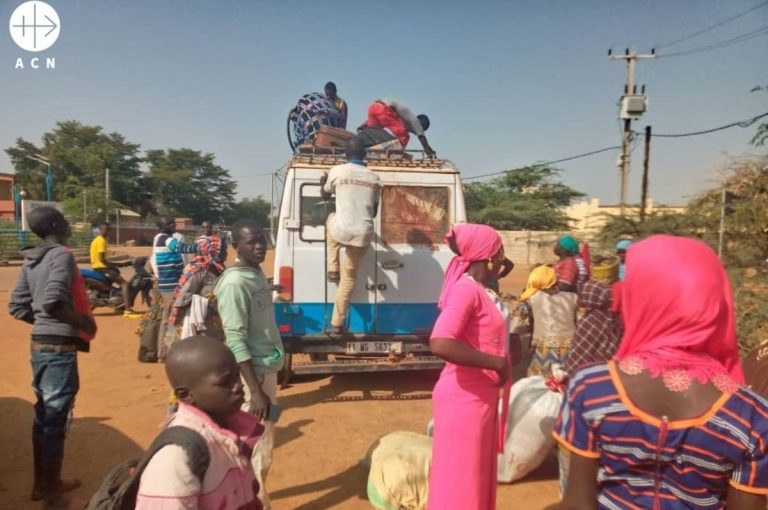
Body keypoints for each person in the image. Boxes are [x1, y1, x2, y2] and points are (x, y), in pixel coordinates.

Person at [555, 235, 768, 510]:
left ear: (641, 299)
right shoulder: (752, 416)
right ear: (716, 302)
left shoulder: (591, 388)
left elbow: (577, 504)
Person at [9, 207, 97, 509]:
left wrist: (45, 325)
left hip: (39, 346)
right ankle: (53, 498)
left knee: (44, 416)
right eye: (66, 219)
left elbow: (18, 306)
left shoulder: (32, 258)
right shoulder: (61, 255)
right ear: (57, 224)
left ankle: (43, 485)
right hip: (59, 350)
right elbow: (51, 300)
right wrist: (80, 323)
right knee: (54, 421)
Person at [428, 224, 511, 510]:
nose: (503, 257)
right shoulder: (466, 290)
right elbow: (440, 342)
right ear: (488, 254)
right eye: (499, 250)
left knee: (475, 479)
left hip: (480, 397)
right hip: (464, 400)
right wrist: (496, 362)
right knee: (461, 485)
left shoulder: (481, 289)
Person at [135, 336, 264, 509]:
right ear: (185, 395)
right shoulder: (176, 459)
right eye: (226, 382)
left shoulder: (232, 433)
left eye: (237, 375)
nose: (239, 386)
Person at [214, 220, 284, 510]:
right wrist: (255, 391)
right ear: (235, 247)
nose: (259, 246)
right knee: (256, 449)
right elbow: (235, 339)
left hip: (267, 369)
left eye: (262, 240)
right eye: (250, 242)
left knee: (262, 445)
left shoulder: (253, 273)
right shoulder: (234, 283)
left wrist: (269, 287)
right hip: (252, 375)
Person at [320, 136, 381, 335]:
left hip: (341, 230)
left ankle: (332, 267)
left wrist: (323, 182)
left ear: (345, 154)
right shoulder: (374, 178)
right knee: (349, 280)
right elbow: (373, 212)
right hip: (363, 234)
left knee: (330, 219)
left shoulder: (337, 171)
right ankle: (337, 324)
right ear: (365, 155)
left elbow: (325, 195)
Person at [161, 235, 227, 358]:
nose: (226, 253)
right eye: (223, 250)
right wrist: (205, 302)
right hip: (203, 324)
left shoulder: (220, 270)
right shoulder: (198, 270)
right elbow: (182, 297)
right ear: (213, 251)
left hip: (218, 322)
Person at [513, 265, 577, 377]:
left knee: (539, 383)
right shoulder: (573, 298)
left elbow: (516, 326)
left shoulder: (531, 299)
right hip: (570, 350)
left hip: (543, 350)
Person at [151, 217, 198, 358]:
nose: (173, 226)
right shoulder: (164, 238)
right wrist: (201, 247)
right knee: (170, 317)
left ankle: (165, 351)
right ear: (161, 226)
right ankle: (164, 352)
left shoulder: (162, 238)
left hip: (170, 283)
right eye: (169, 224)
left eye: (173, 223)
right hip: (170, 285)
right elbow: (180, 248)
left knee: (170, 316)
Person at [561, 279, 623, 375]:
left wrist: (566, 372)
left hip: (587, 373)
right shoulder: (613, 318)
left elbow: (580, 351)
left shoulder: (591, 321)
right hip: (609, 371)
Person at [89, 223, 142, 318]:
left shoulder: (97, 240)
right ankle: (128, 310)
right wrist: (114, 266)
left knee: (106, 287)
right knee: (124, 284)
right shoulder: (101, 241)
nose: (108, 232)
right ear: (100, 230)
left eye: (109, 230)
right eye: (106, 230)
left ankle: (118, 306)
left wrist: (118, 265)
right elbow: (102, 259)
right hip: (103, 268)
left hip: (97, 268)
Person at [362, 98, 436, 157]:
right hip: (383, 108)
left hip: (373, 107)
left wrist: (365, 124)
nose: (416, 132)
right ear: (421, 124)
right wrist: (430, 153)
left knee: (372, 130)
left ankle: (363, 142)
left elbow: (381, 114)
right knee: (405, 137)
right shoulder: (415, 121)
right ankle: (396, 155)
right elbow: (423, 140)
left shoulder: (403, 118)